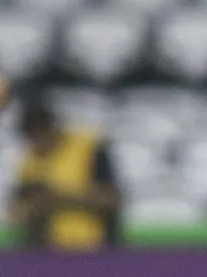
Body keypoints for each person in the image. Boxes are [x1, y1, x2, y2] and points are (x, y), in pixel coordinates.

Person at [9, 89, 122, 251]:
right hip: (48, 252)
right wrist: (31, 209)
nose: (38, 143)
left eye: (41, 134)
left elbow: (113, 200)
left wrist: (60, 198)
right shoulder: (29, 161)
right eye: (31, 136)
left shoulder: (89, 148)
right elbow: (17, 213)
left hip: (95, 248)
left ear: (52, 127)